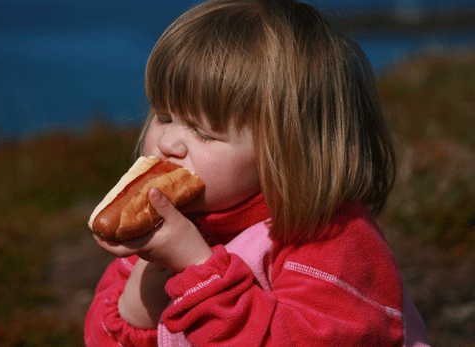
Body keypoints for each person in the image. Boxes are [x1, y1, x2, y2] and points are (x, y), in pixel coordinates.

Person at [84, 0, 429, 346]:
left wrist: (197, 269)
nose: (169, 142)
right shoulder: (170, 229)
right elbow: (99, 336)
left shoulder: (331, 242)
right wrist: (136, 307)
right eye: (164, 116)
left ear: (289, 150)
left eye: (204, 133)